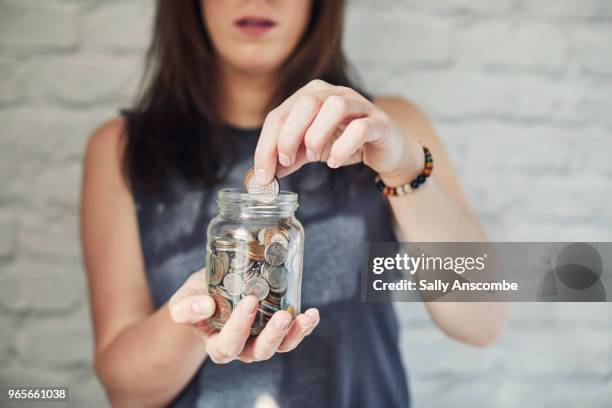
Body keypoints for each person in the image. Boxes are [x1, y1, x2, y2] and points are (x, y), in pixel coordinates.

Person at [80, 1, 507, 406]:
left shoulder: (388, 125)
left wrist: (403, 167)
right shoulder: (119, 148)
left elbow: (483, 320)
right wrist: (201, 314)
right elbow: (124, 391)